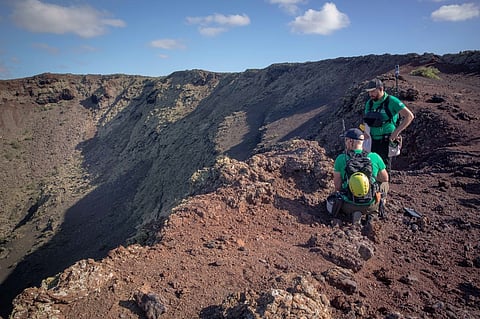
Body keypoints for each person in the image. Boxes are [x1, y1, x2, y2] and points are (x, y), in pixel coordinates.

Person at [328, 128, 389, 223]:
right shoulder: (374, 156)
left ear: (351, 141)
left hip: (348, 206)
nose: (345, 142)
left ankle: (354, 213)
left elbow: (338, 186)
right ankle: (373, 213)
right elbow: (385, 178)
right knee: (385, 184)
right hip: (371, 204)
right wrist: (371, 178)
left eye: (346, 140)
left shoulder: (341, 159)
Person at [363, 78, 414, 168]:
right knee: (372, 167)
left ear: (381, 89)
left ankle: (384, 182)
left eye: (373, 91)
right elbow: (367, 120)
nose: (371, 94)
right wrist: (365, 133)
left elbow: (409, 116)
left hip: (386, 141)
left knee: (383, 168)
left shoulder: (392, 101)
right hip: (372, 141)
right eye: (369, 92)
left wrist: (396, 133)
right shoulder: (369, 103)